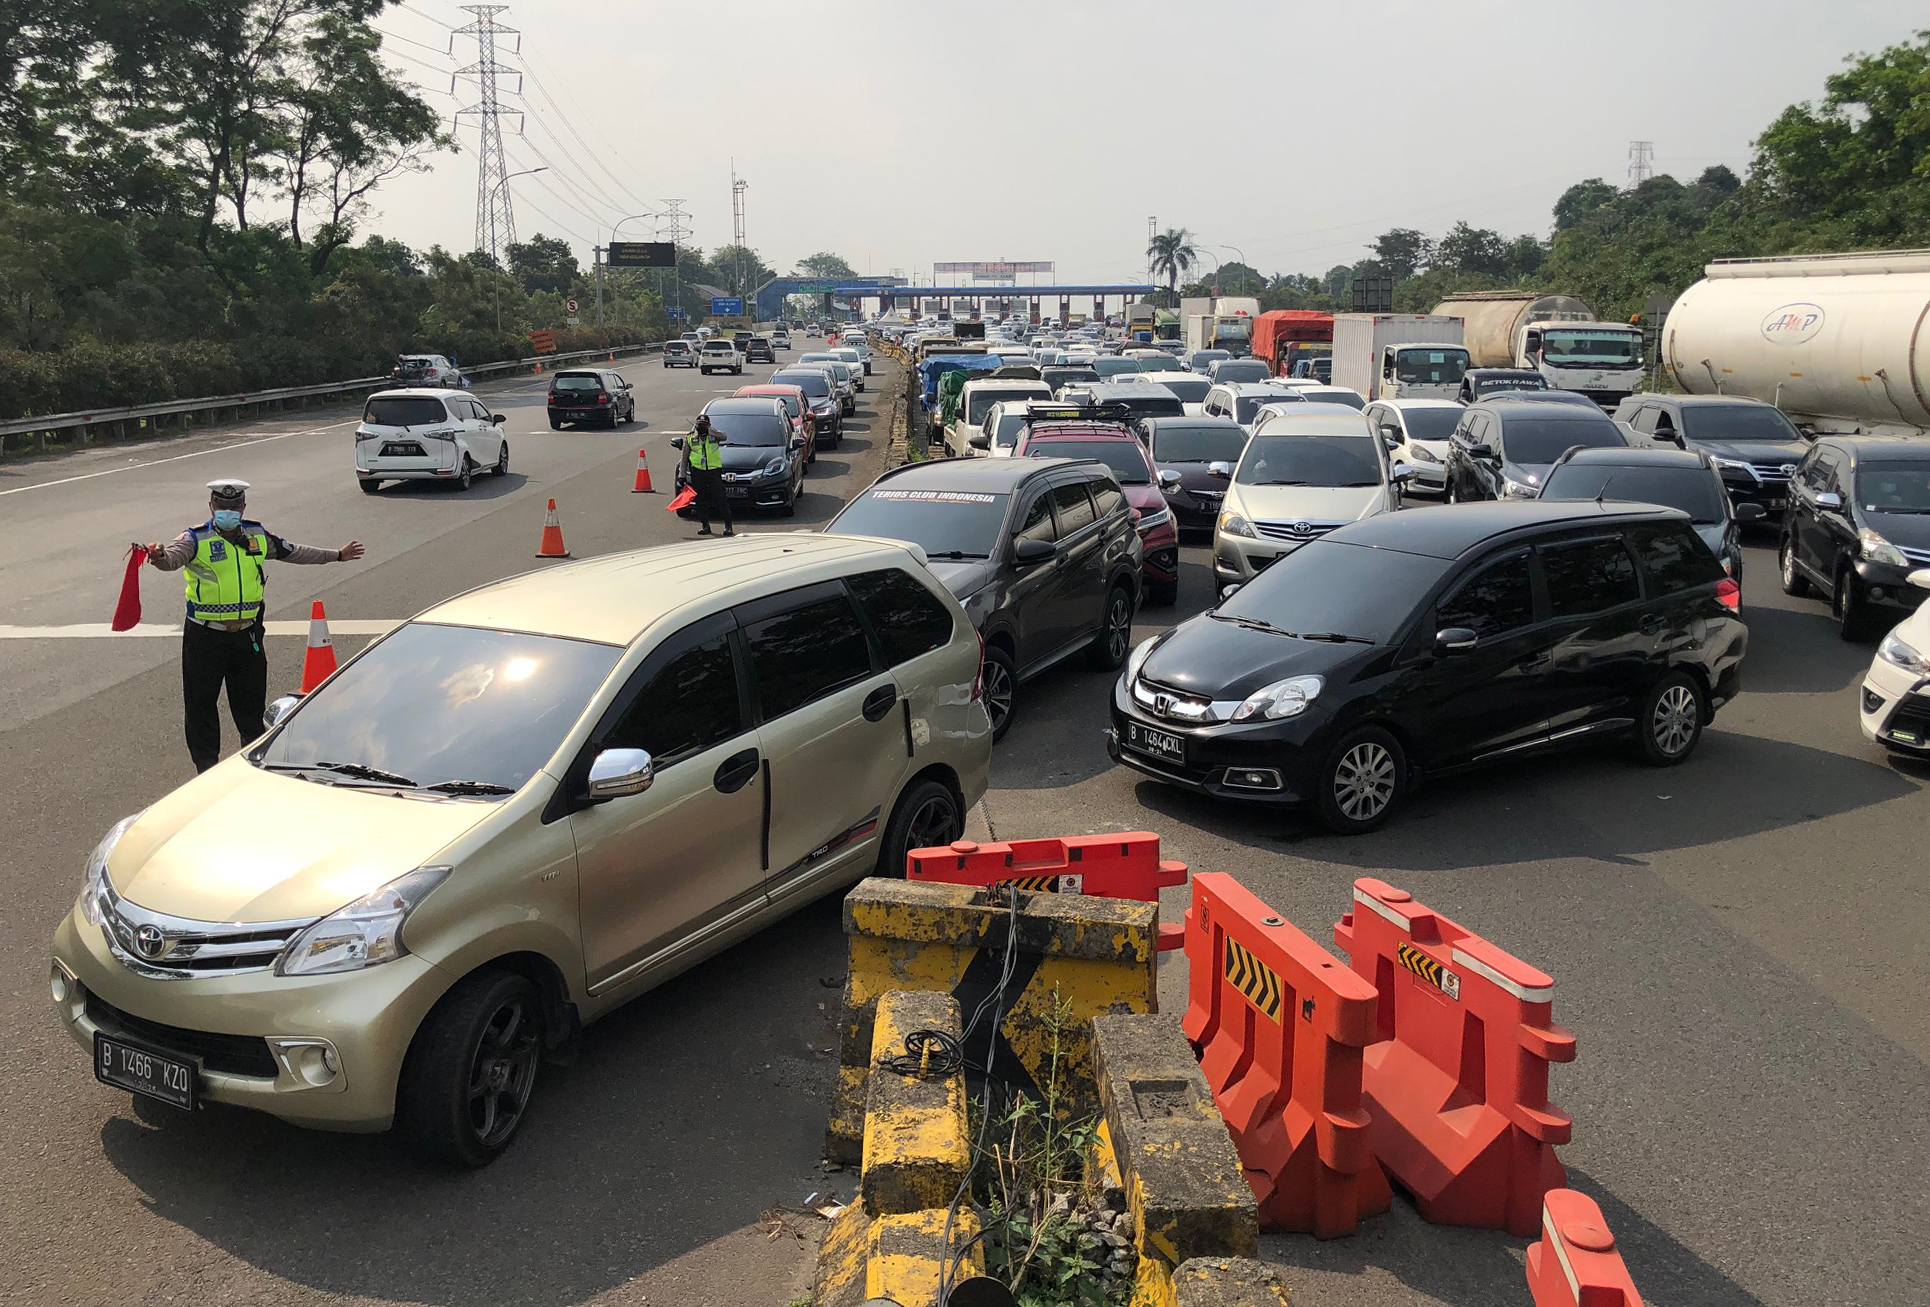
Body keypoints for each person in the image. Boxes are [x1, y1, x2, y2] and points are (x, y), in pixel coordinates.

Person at [145, 479, 364, 772]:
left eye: (234, 506)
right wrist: (158, 556)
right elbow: (171, 559)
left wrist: (336, 555)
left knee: (250, 709)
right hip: (205, 637)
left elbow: (294, 551)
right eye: (222, 506)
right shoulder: (194, 538)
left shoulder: (257, 535)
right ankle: (206, 770)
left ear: (243, 507)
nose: (228, 511)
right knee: (201, 708)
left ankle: (251, 768)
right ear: (211, 507)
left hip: (247, 636)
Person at [686, 413, 734, 537]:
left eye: (704, 426)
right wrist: (682, 475)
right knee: (700, 500)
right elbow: (684, 457)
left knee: (721, 498)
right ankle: (705, 525)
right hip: (698, 471)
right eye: (699, 426)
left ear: (709, 425)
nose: (701, 428)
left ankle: (728, 526)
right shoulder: (690, 438)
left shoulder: (713, 436)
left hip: (714, 471)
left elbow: (725, 437)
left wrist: (711, 432)